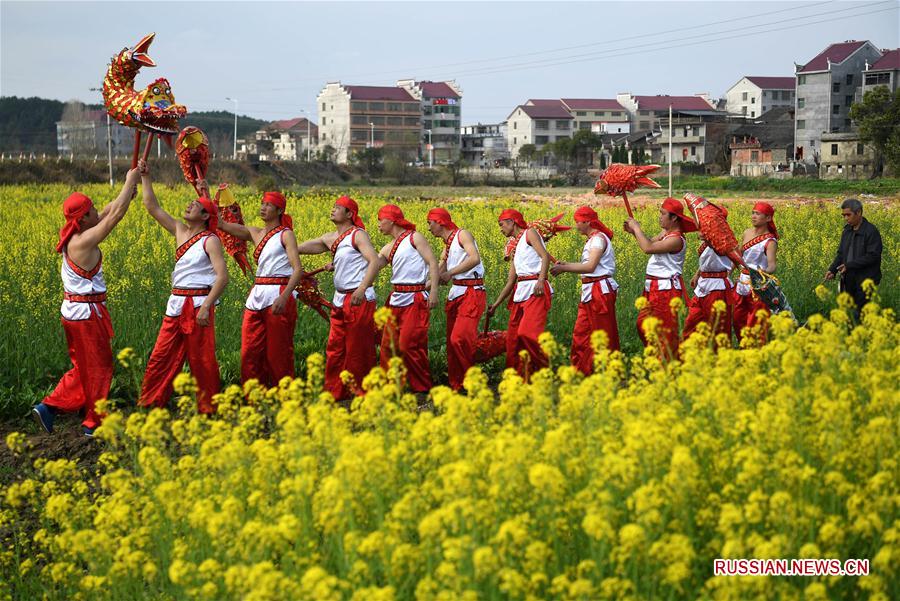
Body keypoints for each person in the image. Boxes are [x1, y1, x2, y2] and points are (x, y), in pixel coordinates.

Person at [32, 164, 144, 436]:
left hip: (75, 313)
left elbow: (109, 210)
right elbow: (113, 217)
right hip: (86, 316)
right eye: (91, 209)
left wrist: (127, 191)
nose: (97, 211)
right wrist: (130, 180)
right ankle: (94, 422)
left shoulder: (76, 233)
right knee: (100, 368)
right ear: (82, 218)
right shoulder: (83, 242)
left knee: (85, 367)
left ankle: (50, 408)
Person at [139, 180, 228, 413]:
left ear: (206, 216)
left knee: (202, 361)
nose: (189, 206)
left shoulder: (211, 240)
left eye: (195, 205)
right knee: (160, 356)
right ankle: (151, 402)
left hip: (198, 304)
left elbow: (222, 277)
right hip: (176, 303)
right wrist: (145, 177)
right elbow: (152, 206)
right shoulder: (180, 230)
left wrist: (207, 306)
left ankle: (208, 408)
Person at [217, 191, 304, 387]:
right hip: (257, 294)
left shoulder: (286, 234)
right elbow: (221, 225)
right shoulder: (254, 233)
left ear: (279, 210)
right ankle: (254, 395)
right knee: (250, 351)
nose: (263, 207)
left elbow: (298, 269)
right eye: (262, 203)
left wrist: (285, 296)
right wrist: (207, 194)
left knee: (278, 352)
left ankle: (284, 395)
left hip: (278, 292)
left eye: (268, 205)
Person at [297, 196, 380, 401]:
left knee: (357, 349)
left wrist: (362, 288)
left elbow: (375, 261)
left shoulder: (358, 235)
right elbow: (308, 246)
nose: (332, 210)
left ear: (350, 214)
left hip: (358, 298)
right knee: (335, 348)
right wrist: (287, 246)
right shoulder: (331, 238)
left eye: (337, 208)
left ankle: (362, 394)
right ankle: (335, 392)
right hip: (340, 298)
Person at [374, 204, 439, 393]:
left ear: (392, 220)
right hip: (395, 299)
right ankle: (391, 388)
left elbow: (432, 262)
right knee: (388, 345)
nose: (378, 224)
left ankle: (422, 388)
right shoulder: (388, 248)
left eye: (380, 219)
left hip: (415, 298)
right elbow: (373, 266)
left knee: (409, 344)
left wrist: (434, 290)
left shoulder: (414, 238)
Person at [624, 197, 697, 359]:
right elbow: (650, 242)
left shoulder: (676, 239)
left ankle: (668, 366)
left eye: (663, 214)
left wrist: (637, 228)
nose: (660, 217)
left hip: (666, 290)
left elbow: (648, 248)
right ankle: (658, 358)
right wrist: (634, 232)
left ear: (674, 218)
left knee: (664, 331)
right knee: (643, 325)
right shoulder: (666, 233)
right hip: (653, 288)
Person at [550, 206, 620, 374]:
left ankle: (610, 371)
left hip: (599, 290)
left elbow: (590, 266)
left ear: (588, 222)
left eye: (578, 222)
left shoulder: (597, 240)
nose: (576, 226)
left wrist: (564, 269)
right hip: (591, 290)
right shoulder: (592, 239)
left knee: (603, 333)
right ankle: (582, 370)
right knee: (582, 333)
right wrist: (566, 264)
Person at [488, 209, 553, 378]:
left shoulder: (529, 233)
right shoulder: (515, 247)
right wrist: (495, 304)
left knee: (528, 334)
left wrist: (541, 280)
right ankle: (520, 378)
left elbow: (545, 256)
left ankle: (543, 371)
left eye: (501, 225)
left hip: (535, 290)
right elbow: (511, 281)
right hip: (520, 292)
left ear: (512, 222)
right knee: (513, 338)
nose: (501, 229)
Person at [426, 207, 486, 390]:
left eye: (430, 223)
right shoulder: (447, 246)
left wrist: (449, 272)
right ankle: (457, 386)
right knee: (452, 343)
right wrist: (421, 288)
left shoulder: (463, 235)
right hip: (457, 293)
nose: (428, 228)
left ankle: (471, 383)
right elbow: (437, 274)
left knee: (460, 339)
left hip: (472, 292)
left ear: (440, 221)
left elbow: (475, 258)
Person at [825, 198, 883, 315]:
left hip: (866, 280)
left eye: (848, 215)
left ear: (859, 212)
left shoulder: (871, 231)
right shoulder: (847, 231)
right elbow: (841, 254)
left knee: (861, 314)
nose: (846, 218)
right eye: (843, 215)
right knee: (848, 313)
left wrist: (849, 265)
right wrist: (832, 270)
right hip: (849, 279)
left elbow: (873, 256)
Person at [733, 202, 778, 343]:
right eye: (753, 212)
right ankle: (744, 346)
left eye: (757, 214)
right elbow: (739, 256)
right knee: (737, 319)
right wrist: (730, 271)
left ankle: (756, 351)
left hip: (758, 285)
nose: (753, 216)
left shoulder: (770, 241)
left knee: (755, 321)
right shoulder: (747, 233)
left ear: (768, 218)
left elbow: (772, 266)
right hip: (741, 283)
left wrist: (761, 274)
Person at [682, 226, 734, 343]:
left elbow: (732, 256)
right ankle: (688, 354)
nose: (699, 230)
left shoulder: (721, 240)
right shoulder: (707, 241)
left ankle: (718, 358)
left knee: (717, 329)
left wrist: (727, 273)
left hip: (716, 288)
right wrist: (698, 274)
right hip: (703, 285)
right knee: (691, 322)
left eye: (703, 227)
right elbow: (708, 260)